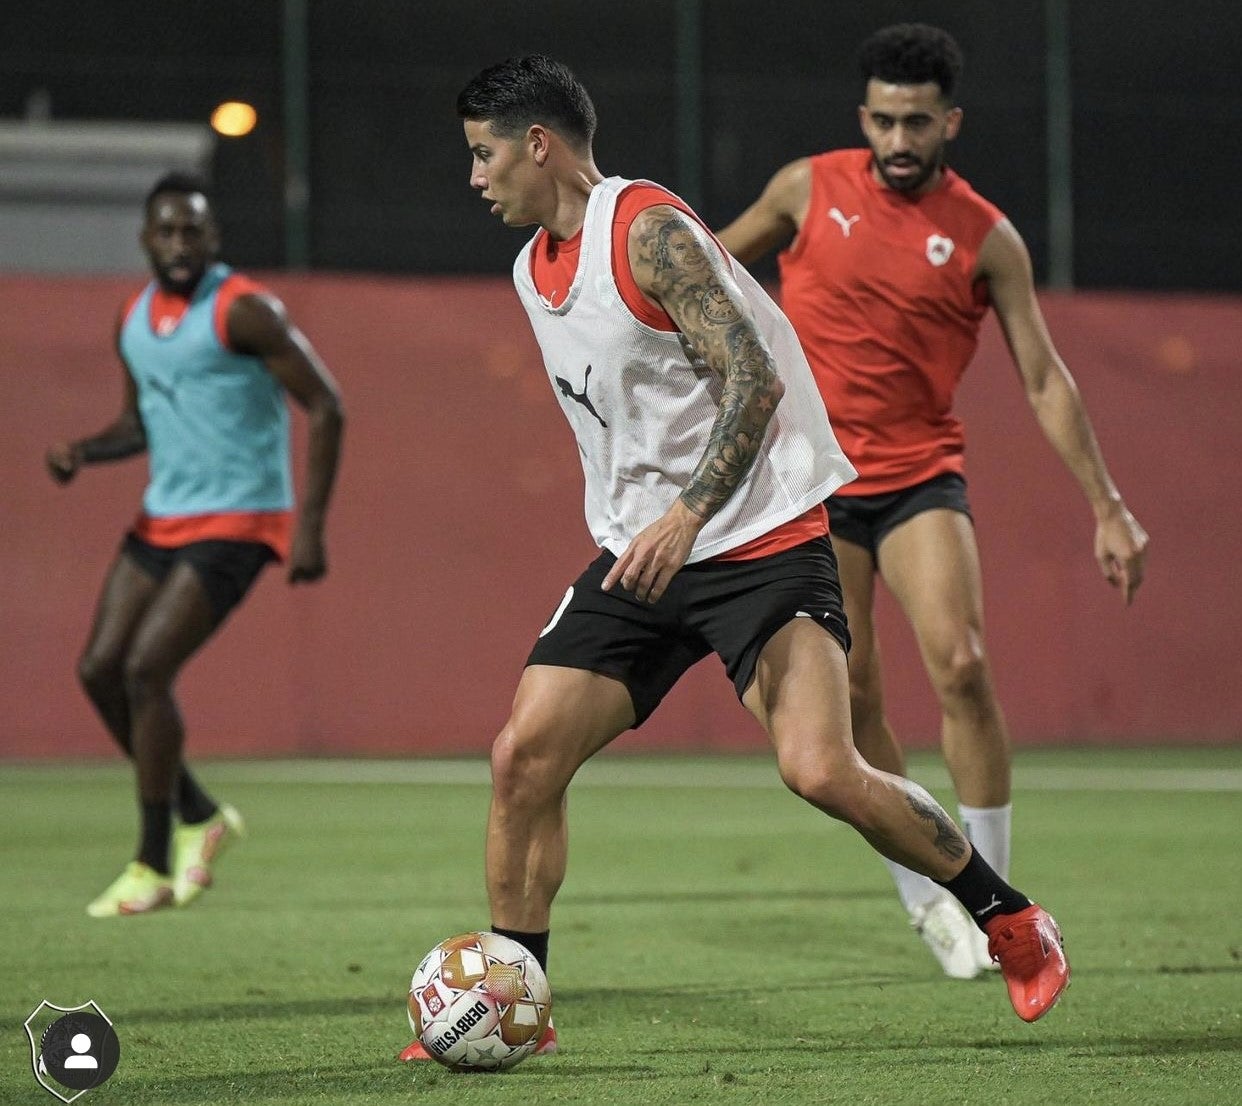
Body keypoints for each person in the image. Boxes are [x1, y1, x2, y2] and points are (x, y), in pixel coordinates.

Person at [401, 55, 1068, 1061]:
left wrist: (686, 516)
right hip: (640, 558)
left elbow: (753, 378)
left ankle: (1009, 916)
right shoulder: (532, 268)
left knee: (821, 769)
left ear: (538, 145)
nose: (475, 175)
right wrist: (654, 525)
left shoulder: (648, 231)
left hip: (758, 542)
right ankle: (513, 1003)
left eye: (484, 153)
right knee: (522, 758)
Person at [717, 23, 1149, 980]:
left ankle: (998, 897)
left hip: (919, 475)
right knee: (856, 693)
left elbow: (1044, 377)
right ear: (863, 116)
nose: (898, 138)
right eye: (883, 120)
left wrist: (1108, 505)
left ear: (950, 121)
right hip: (815, 485)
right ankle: (930, 900)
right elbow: (703, 272)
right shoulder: (805, 189)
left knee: (962, 663)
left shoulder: (989, 237)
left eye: (917, 121)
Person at [46, 172, 345, 918]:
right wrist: (85, 451)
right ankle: (200, 814)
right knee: (98, 670)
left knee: (146, 670)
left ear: (213, 238)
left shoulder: (244, 310)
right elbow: (140, 424)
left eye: (193, 231)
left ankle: (152, 863)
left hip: (240, 521)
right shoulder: (134, 318)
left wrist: (309, 527)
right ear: (145, 239)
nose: (179, 243)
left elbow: (326, 405)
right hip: (162, 518)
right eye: (167, 231)